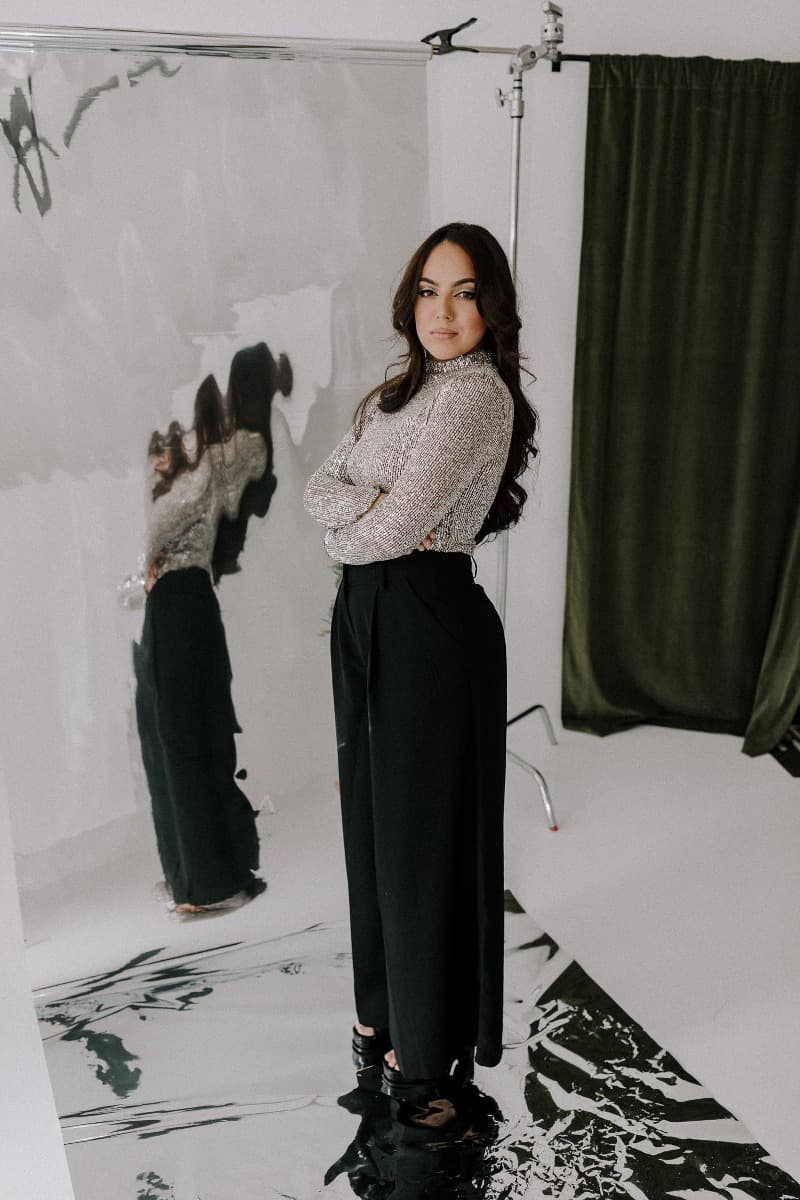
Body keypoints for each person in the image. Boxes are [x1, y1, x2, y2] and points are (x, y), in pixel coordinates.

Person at [303, 222, 539, 1118]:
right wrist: (366, 516)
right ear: (410, 300)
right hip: (366, 617)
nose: (443, 311)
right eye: (430, 290)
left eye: (466, 291)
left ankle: (427, 1042)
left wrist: (363, 518)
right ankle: (383, 1014)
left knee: (422, 840)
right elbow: (323, 493)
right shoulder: (393, 394)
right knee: (371, 827)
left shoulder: (476, 399)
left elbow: (392, 532)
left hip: (430, 621)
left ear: (492, 305)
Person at [135, 365, 270, 916]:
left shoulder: (210, 466)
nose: (159, 458)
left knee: (190, 741)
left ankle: (209, 882)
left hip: (184, 604)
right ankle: (193, 878)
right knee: (173, 744)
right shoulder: (182, 486)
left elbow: (252, 452)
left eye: (166, 445)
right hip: (171, 609)